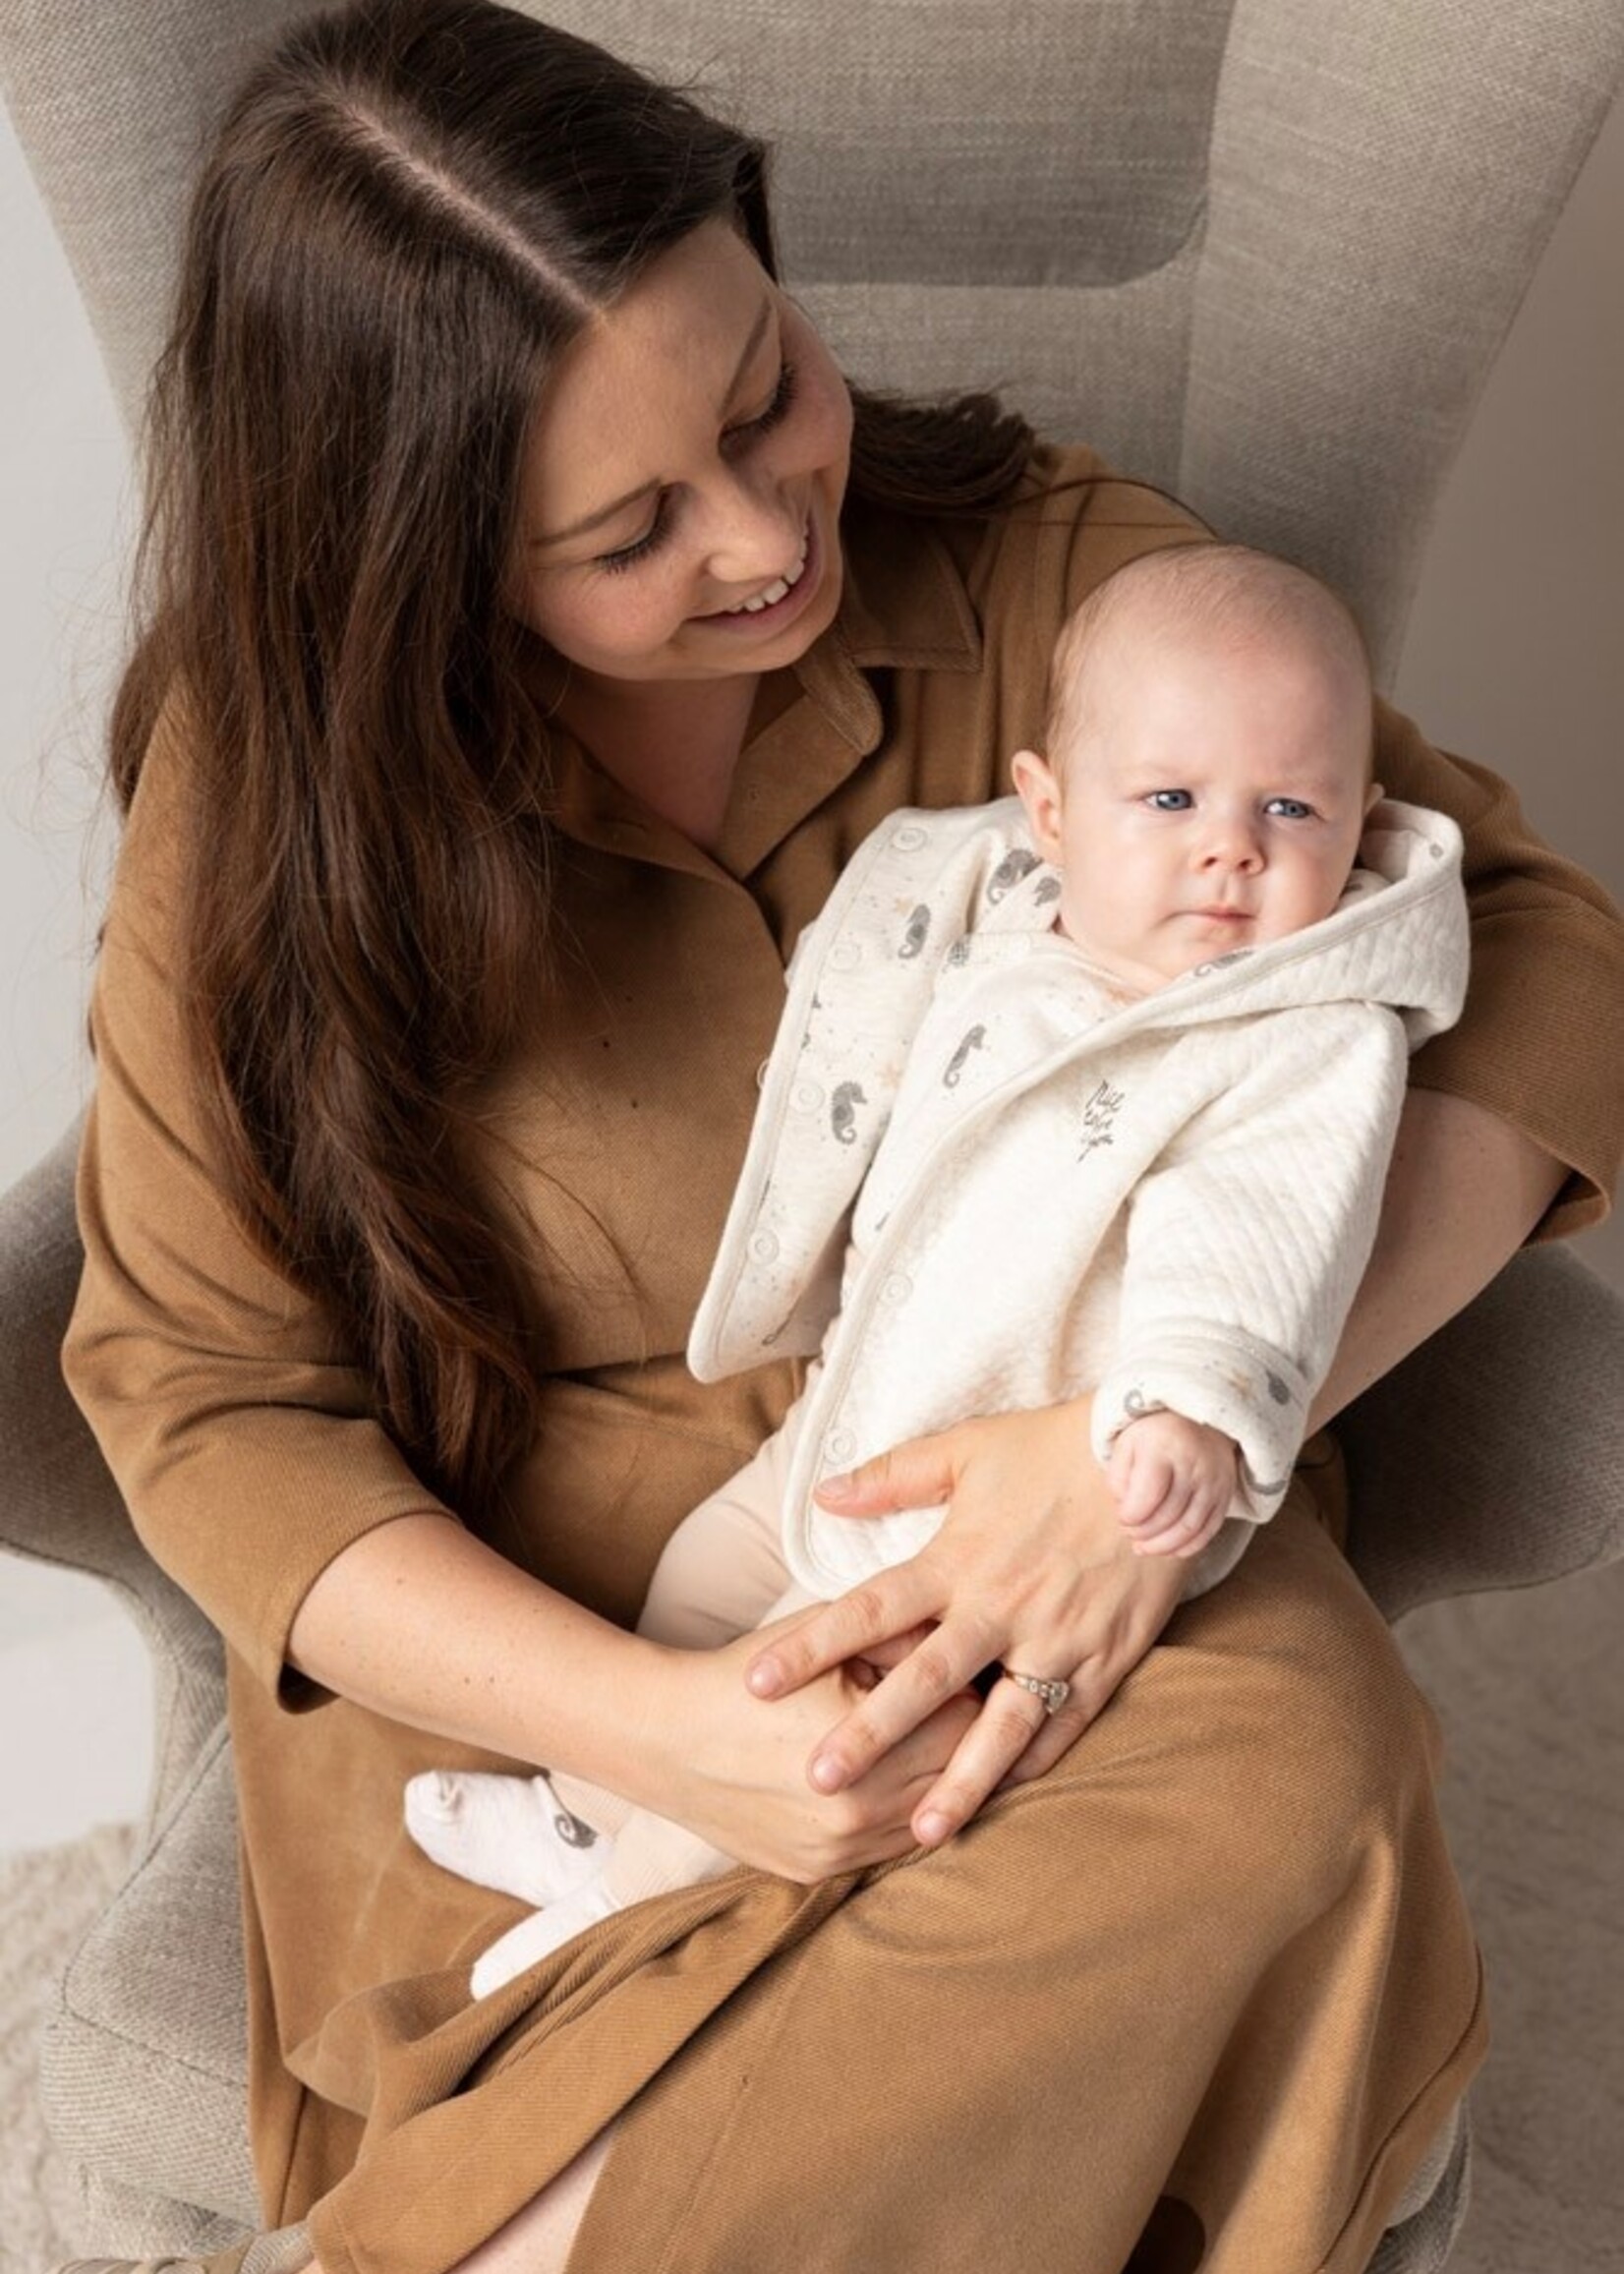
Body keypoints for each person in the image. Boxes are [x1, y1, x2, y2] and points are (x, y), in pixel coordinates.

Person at [53, 1, 1621, 2270]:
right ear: (429, 569)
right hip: (551, 1651)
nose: (775, 526)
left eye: (764, 384)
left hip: (1087, 1543)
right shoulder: (275, 781)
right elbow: (203, 1393)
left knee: (1298, 1765)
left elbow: (1538, 950)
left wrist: (1157, 1447)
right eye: (628, 528)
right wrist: (678, 1738)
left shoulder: (1044, 583)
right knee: (1271, 1854)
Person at [404, 541, 1473, 1991]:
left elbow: (1258, 1231)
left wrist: (1186, 1410)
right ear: (1049, 811)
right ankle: (585, 1817)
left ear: (1362, 826)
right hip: (841, 1429)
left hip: (977, 1525)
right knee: (689, 1613)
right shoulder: (1019, 919)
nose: (1231, 848)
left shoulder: (1299, 1038)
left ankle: (619, 1917)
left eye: (1292, 809)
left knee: (814, 1725)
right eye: (1169, 800)